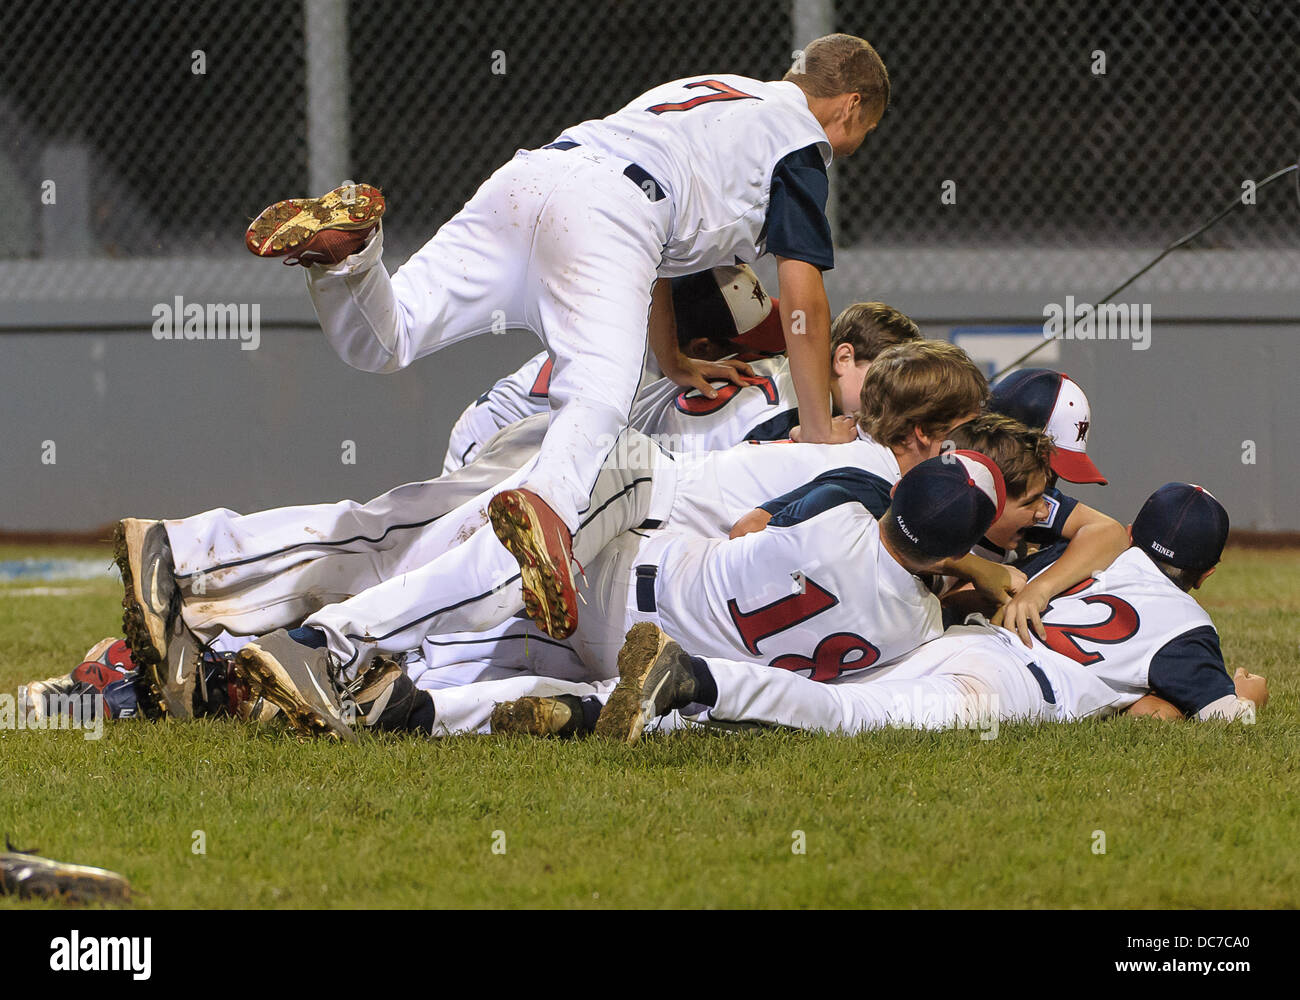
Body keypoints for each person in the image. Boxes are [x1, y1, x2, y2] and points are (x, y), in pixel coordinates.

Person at [246, 34, 891, 641]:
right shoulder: (802, 140)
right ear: (851, 104)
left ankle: (345, 260)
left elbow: (660, 255)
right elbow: (803, 299)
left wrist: (668, 358)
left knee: (387, 338)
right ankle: (547, 511)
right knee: (599, 402)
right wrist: (813, 424)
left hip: (534, 176)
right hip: (610, 213)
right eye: (866, 129)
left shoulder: (715, 89)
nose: (857, 143)